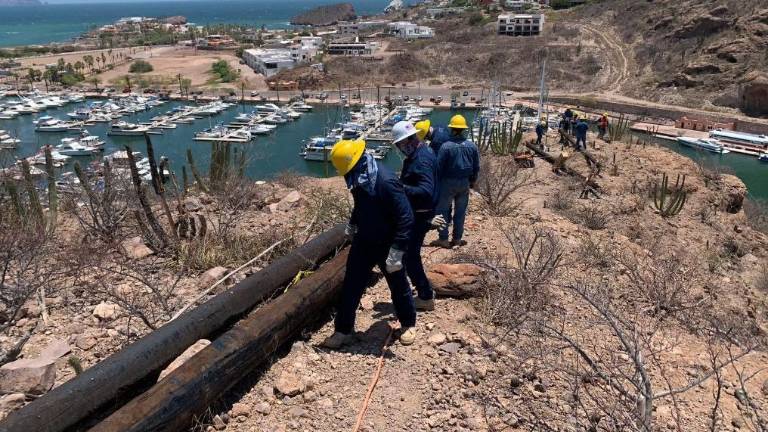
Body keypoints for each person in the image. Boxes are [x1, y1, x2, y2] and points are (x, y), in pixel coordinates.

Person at [322, 139, 418, 349]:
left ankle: (408, 324)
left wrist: (397, 250)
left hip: (388, 243)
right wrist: (353, 224)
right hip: (365, 240)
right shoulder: (359, 177)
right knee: (351, 284)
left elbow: (406, 217)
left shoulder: (385, 181)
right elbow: (360, 204)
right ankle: (343, 330)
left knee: (398, 284)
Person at [391, 121, 444, 311]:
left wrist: (400, 187)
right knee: (409, 256)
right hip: (420, 213)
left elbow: (426, 191)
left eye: (399, 144)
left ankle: (425, 295)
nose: (400, 149)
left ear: (408, 141)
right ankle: (423, 290)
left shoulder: (421, 159)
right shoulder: (421, 153)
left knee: (410, 257)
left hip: (419, 216)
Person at [431, 114, 480, 249]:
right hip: (464, 183)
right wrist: (472, 182)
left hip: (447, 183)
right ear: (463, 129)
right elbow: (476, 167)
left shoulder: (445, 147)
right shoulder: (472, 146)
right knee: (460, 212)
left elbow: (439, 168)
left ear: (452, 129)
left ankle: (443, 239)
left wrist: (436, 184)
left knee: (442, 211)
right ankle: (457, 239)